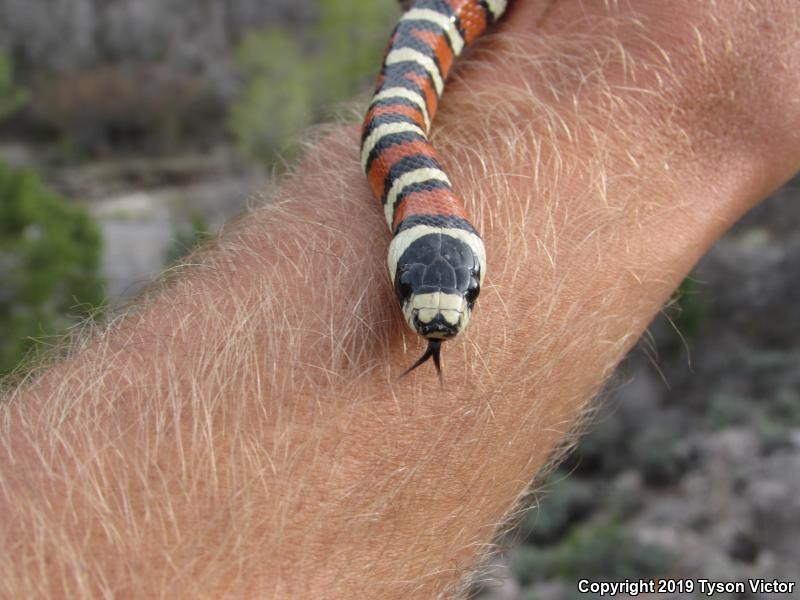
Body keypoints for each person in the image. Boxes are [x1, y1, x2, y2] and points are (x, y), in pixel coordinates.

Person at [1, 1, 798, 597]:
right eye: (421, 289)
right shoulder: (401, 178)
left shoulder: (405, 171)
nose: (435, 313)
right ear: (399, 249)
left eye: (449, 291)